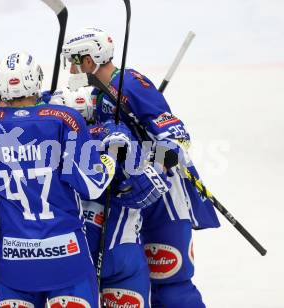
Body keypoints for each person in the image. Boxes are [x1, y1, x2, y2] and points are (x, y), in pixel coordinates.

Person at [0, 53, 131, 307]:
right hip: (67, 258)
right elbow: (93, 184)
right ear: (37, 81)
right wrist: (112, 152)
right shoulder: (64, 119)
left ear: (0, 88)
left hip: (13, 262)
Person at [62, 27, 221, 308]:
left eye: (76, 60)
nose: (73, 68)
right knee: (136, 287)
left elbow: (175, 134)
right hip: (130, 203)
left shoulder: (130, 82)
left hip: (163, 198)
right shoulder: (100, 95)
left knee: (170, 283)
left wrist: (159, 160)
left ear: (90, 60)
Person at [50, 87, 172, 307]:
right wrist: (159, 161)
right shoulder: (118, 133)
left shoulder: (51, 146)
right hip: (123, 251)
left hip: (71, 255)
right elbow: (158, 172)